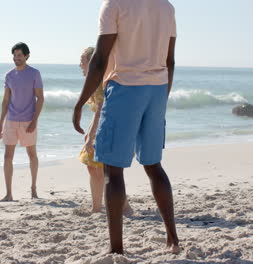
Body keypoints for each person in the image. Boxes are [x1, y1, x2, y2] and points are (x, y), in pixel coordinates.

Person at [72, 0, 180, 255]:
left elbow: (99, 60)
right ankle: (173, 240)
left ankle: (116, 250)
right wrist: (163, 98)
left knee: (113, 171)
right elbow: (170, 60)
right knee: (154, 166)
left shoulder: (114, 4)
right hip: (157, 89)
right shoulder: (166, 7)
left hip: (124, 88)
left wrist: (79, 103)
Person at [78, 47, 132, 215]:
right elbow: (96, 112)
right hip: (103, 129)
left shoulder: (101, 82)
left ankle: (119, 206)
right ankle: (101, 206)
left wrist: (91, 136)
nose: (80, 64)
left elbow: (101, 111)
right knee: (95, 168)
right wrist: (89, 132)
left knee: (104, 170)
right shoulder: (94, 82)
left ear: (91, 63)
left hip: (107, 130)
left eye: (83, 61)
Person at [0, 42, 44, 201]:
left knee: (32, 155)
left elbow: (40, 98)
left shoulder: (34, 73)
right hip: (11, 120)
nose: (16, 58)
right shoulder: (9, 75)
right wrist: (0, 124)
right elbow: (5, 100)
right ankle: (8, 193)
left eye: (19, 55)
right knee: (7, 156)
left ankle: (34, 190)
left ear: (26, 56)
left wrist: (34, 120)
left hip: (28, 120)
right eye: (14, 55)